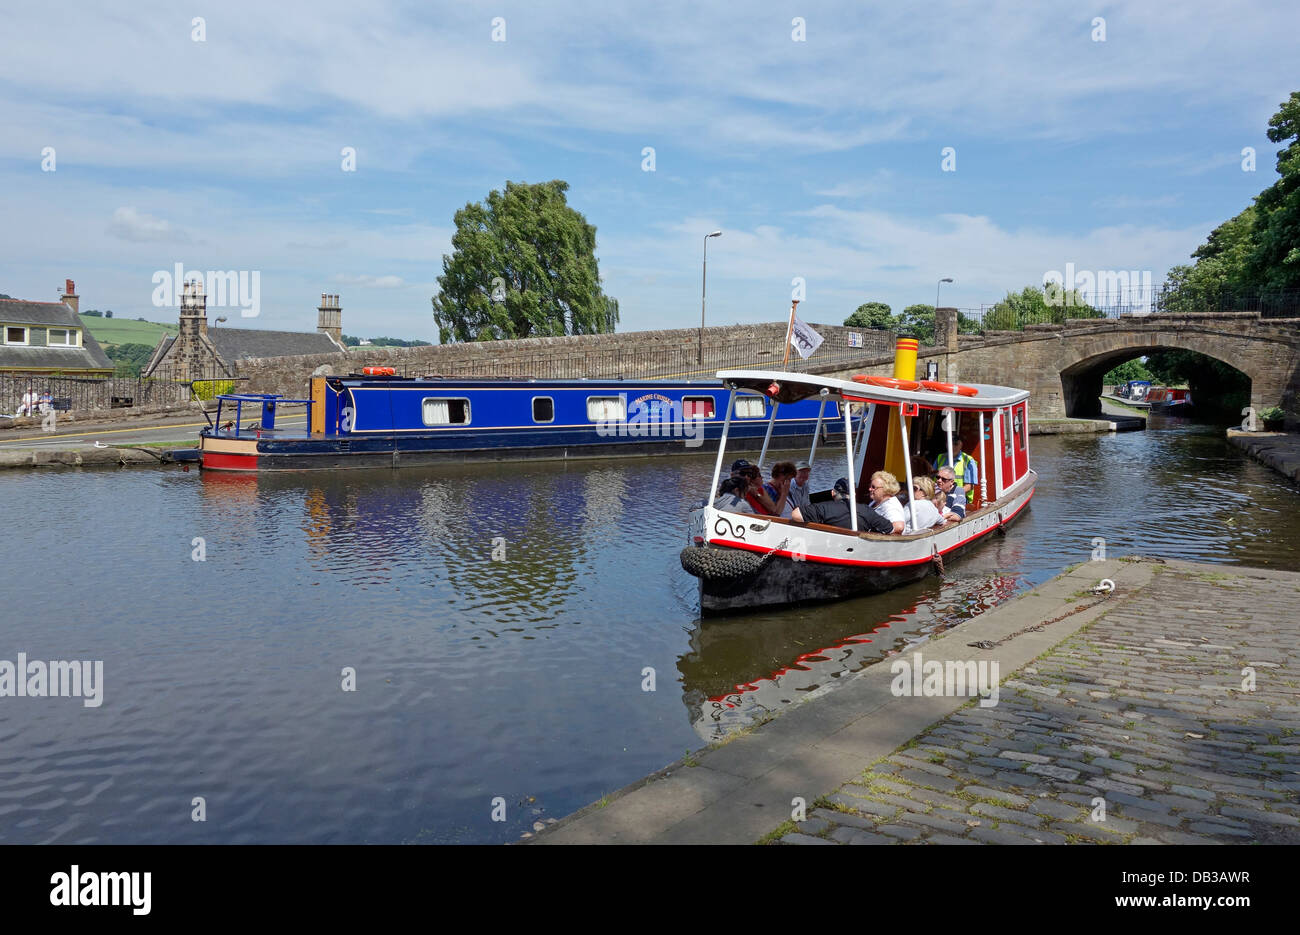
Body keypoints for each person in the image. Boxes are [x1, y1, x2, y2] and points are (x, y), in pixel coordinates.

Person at [792, 477, 894, 534]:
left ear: (833, 493)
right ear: (853, 494)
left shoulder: (823, 508)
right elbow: (890, 528)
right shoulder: (866, 510)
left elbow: (795, 515)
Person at [935, 436, 978, 504]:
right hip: (939, 497)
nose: (952, 447)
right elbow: (932, 479)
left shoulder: (968, 460)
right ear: (946, 444)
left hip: (960, 498)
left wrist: (951, 495)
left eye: (956, 444)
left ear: (961, 445)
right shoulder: (940, 458)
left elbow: (969, 487)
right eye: (950, 443)